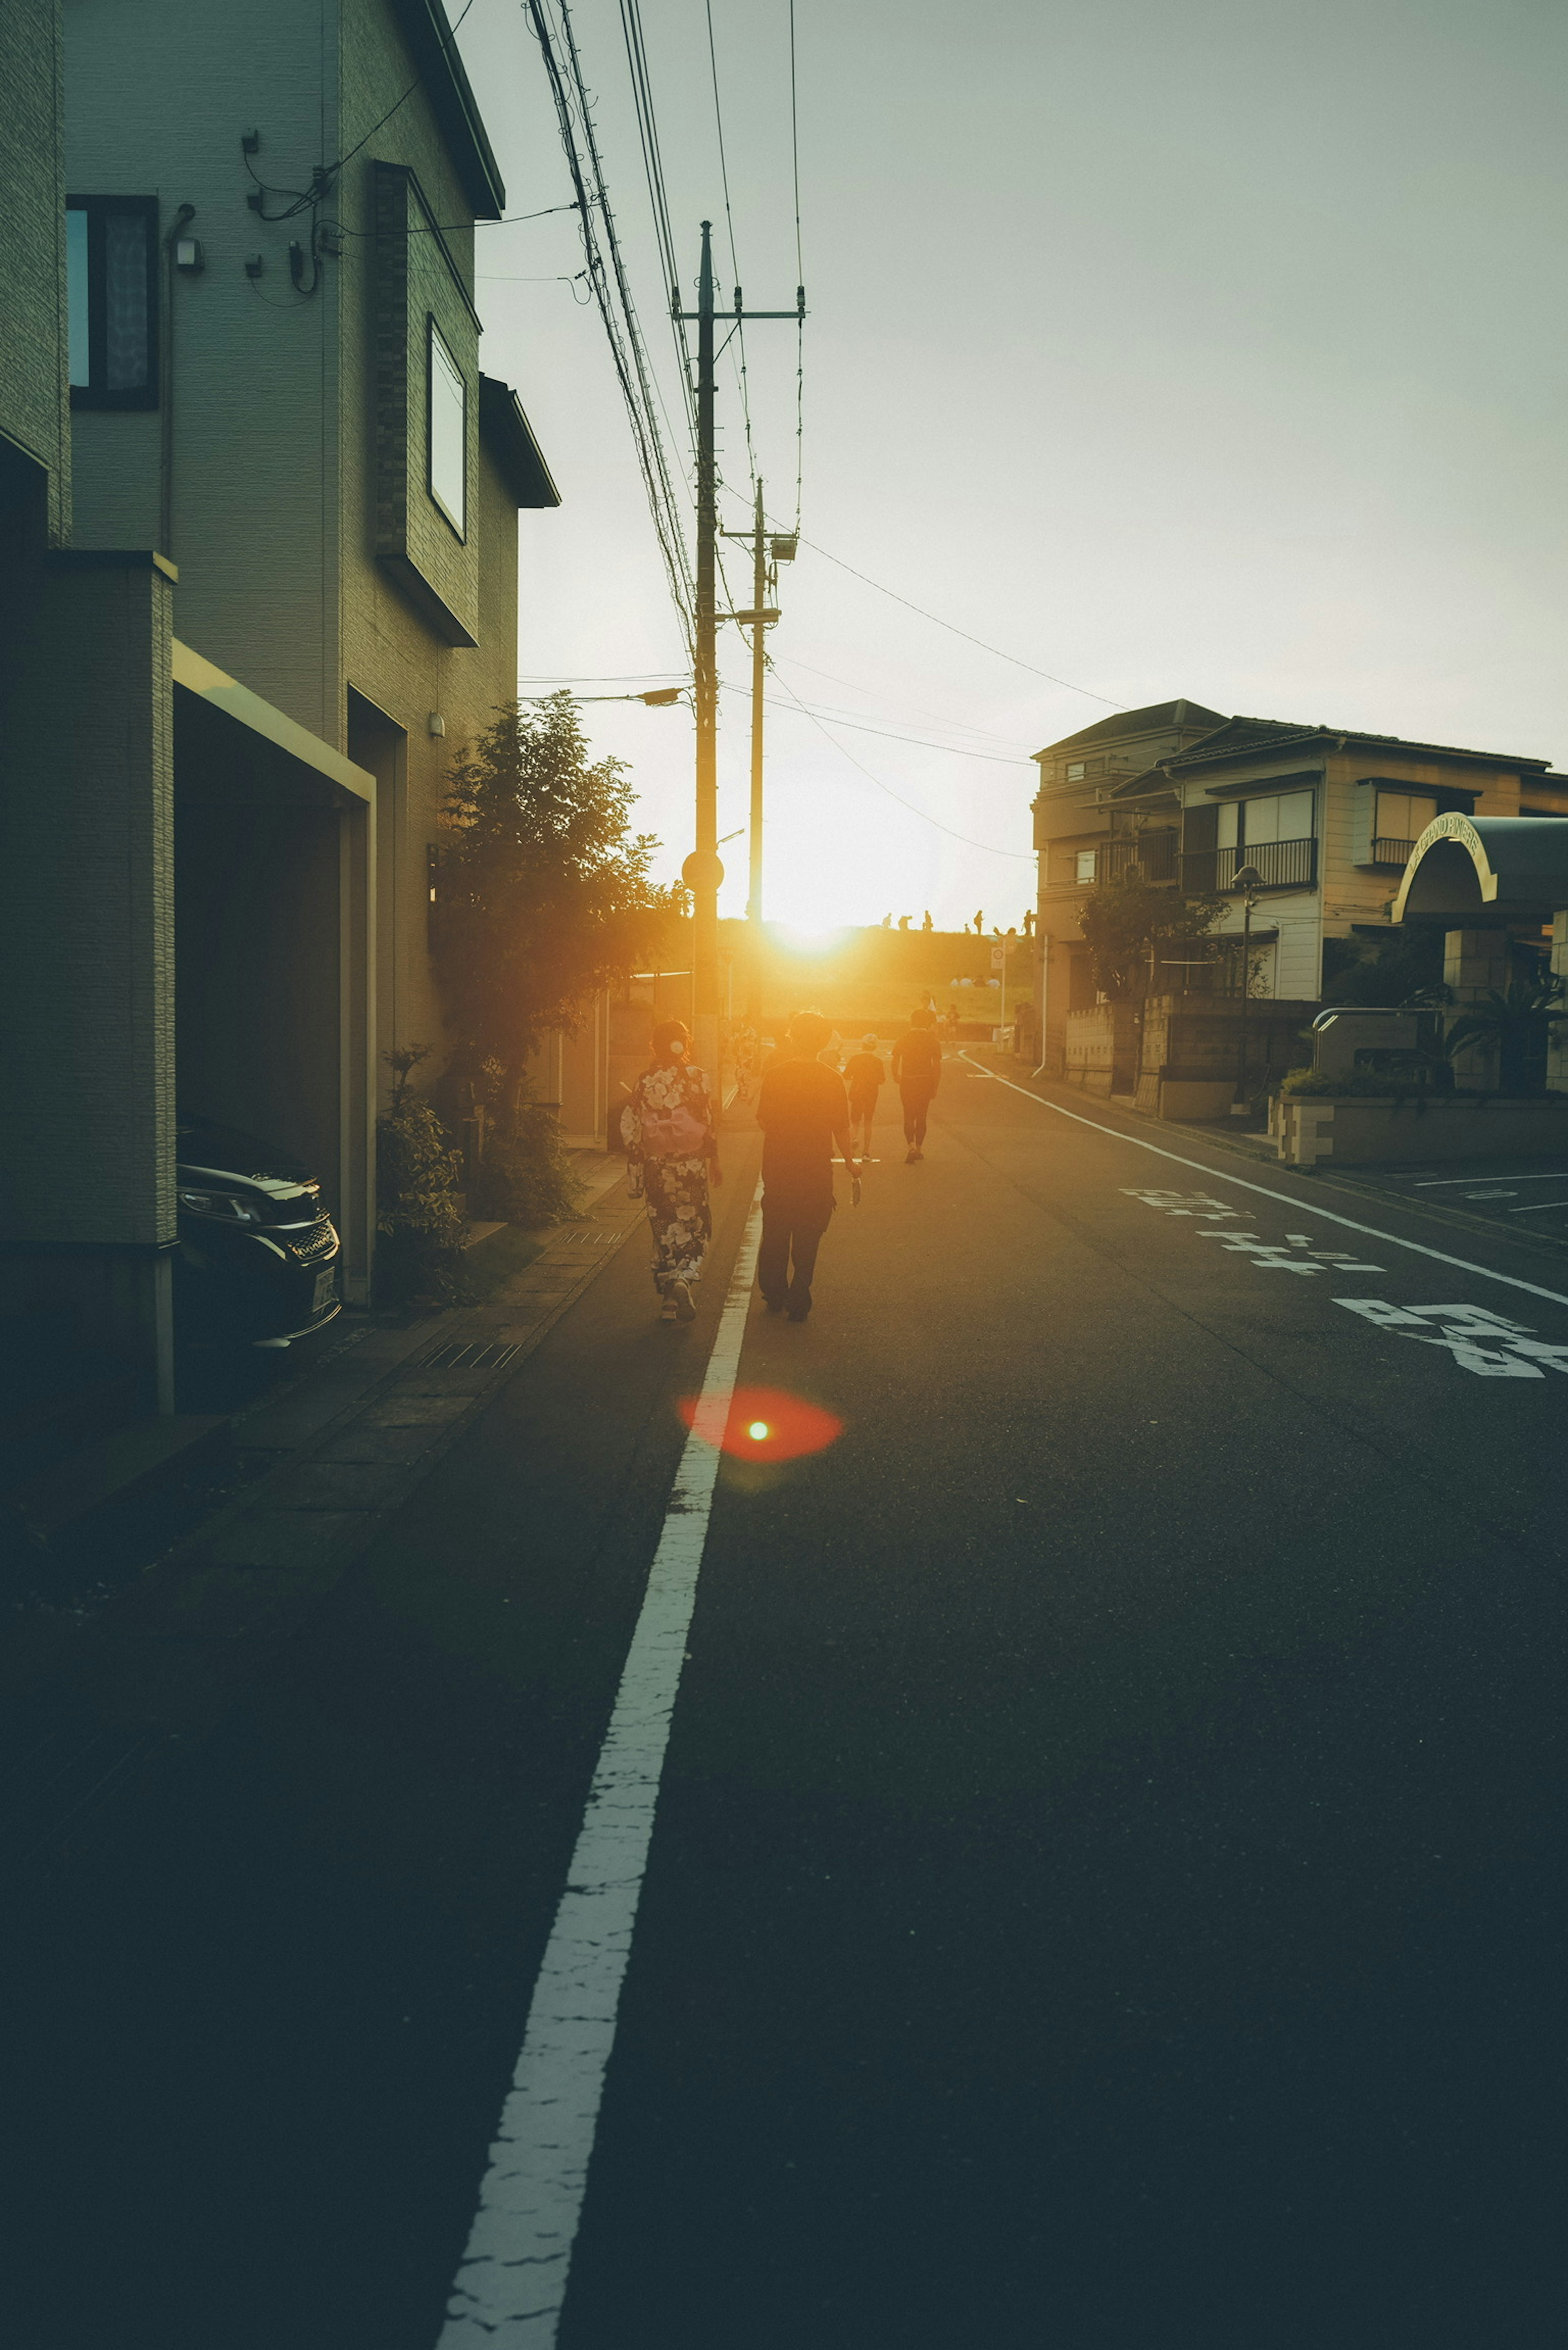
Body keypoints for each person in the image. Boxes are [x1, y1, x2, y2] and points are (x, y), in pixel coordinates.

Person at [756, 1009, 857, 1321]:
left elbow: (763, 1120)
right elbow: (842, 1126)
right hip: (815, 1167)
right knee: (809, 1230)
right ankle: (800, 1291)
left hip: (779, 1164)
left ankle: (774, 1292)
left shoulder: (776, 1075)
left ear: (791, 1036)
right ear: (825, 1041)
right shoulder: (831, 1078)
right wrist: (852, 1164)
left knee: (776, 1228)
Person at [624, 1018, 722, 1322]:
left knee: (664, 1226)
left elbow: (633, 1126)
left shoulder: (645, 1080)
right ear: (685, 1043)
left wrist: (636, 1170)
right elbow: (708, 1121)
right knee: (694, 1225)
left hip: (657, 1165)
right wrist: (715, 1161)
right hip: (691, 1164)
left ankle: (668, 1302)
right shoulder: (699, 1077)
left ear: (655, 1044)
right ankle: (684, 1279)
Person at [891, 1005, 942, 1162]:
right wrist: (935, 1086)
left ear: (912, 1022)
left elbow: (895, 1061)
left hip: (908, 1080)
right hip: (926, 1080)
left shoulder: (904, 1038)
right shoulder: (933, 1040)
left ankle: (911, 1147)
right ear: (927, 1023)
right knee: (922, 1116)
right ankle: (919, 1149)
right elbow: (937, 1065)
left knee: (909, 1115)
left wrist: (897, 1076)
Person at [842, 1032, 885, 1157]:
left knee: (855, 1122)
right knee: (868, 1122)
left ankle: (852, 1147)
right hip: (871, 1093)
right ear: (875, 1047)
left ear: (863, 1045)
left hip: (857, 1091)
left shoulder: (855, 1059)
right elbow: (882, 1080)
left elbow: (846, 1075)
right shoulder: (878, 1061)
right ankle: (866, 1152)